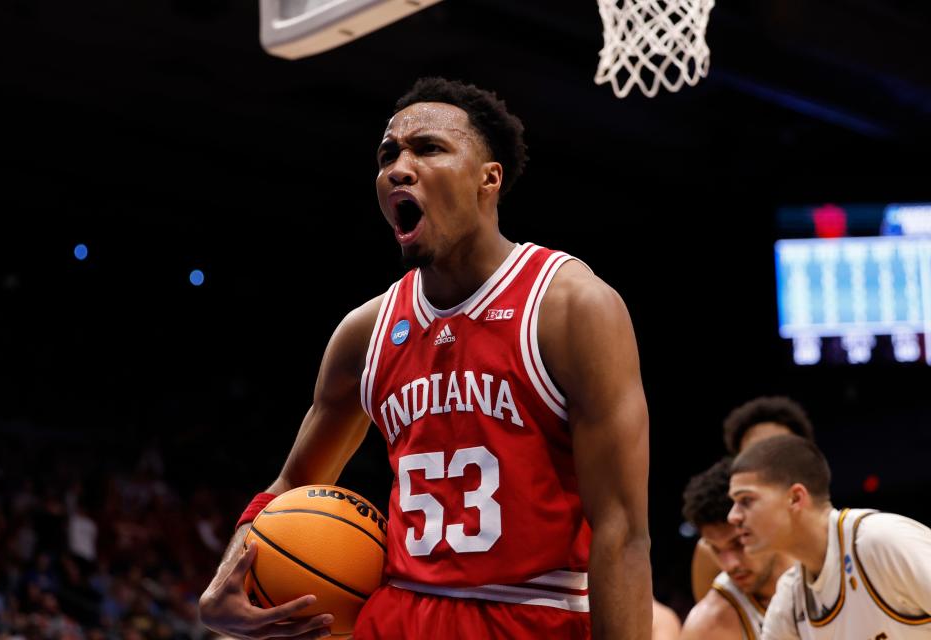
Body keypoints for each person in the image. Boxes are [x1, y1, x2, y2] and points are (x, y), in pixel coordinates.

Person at [197, 77, 651, 639]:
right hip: (402, 614)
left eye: (429, 148)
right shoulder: (365, 332)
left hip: (536, 614)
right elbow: (294, 482)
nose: (398, 168)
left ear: (490, 179)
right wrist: (226, 578)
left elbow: (622, 530)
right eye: (388, 155)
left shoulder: (570, 307)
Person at [728, 435, 931, 639]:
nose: (733, 516)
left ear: (796, 498)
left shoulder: (881, 539)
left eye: (746, 500)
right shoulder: (790, 596)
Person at [691, 397, 815, 602]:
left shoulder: (832, 533)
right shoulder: (711, 549)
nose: (769, 466)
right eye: (756, 455)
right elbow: (709, 623)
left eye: (780, 453)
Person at [679, 458, 790, 640]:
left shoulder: (827, 566)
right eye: (716, 549)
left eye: (738, 543)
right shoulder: (709, 624)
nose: (729, 564)